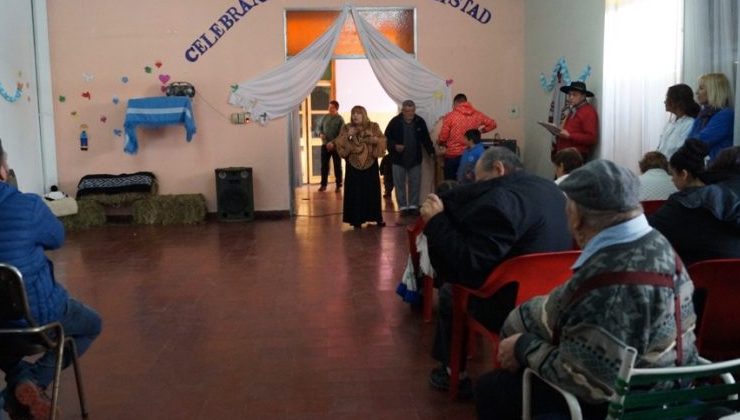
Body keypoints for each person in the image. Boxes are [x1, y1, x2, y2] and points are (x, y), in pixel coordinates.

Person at [475, 159, 698, 420]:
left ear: (578, 217)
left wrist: (524, 347)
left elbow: (589, 382)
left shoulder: (610, 281)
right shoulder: (658, 244)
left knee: (493, 390)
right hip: (674, 386)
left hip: (634, 403)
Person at [420, 147, 572, 397]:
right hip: (556, 297)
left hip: (513, 305)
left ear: (499, 169)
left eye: (480, 182)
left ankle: (452, 373)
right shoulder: (552, 189)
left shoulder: (501, 200)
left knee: (450, 291)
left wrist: (437, 223)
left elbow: (470, 261)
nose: (478, 189)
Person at [0, 139, 102, 419]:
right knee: (91, 324)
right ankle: (32, 380)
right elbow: (57, 237)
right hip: (38, 319)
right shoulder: (28, 206)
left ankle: (20, 381)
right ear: (1, 170)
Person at [648, 142, 740, 265]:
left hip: (697, 280)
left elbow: (647, 232)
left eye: (673, 174)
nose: (671, 179)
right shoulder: (727, 200)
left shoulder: (683, 204)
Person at [334, 105, 386, 229]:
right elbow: (339, 142)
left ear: (364, 114)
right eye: (353, 113)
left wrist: (374, 140)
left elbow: (382, 139)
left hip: (370, 164)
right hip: (353, 165)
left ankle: (376, 218)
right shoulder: (347, 127)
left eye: (358, 113)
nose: (355, 116)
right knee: (355, 193)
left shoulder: (374, 126)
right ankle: (356, 219)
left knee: (371, 192)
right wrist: (348, 135)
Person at [384, 100, 435, 216]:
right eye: (407, 111)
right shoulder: (395, 122)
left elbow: (426, 139)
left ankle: (413, 206)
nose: (409, 114)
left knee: (415, 183)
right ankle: (403, 207)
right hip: (398, 159)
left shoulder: (419, 121)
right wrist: (395, 146)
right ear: (402, 111)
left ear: (414, 110)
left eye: (412, 111)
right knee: (399, 184)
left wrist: (431, 152)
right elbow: (386, 137)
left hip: (415, 158)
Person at [438, 93, 496, 180]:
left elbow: (443, 137)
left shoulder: (450, 116)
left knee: (450, 184)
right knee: (468, 184)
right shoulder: (477, 114)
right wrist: (480, 131)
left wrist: (440, 142)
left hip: (453, 155)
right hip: (471, 153)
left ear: (455, 103)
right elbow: (492, 124)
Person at [688, 73, 735, 161]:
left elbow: (699, 141)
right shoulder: (703, 113)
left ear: (714, 91)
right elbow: (689, 139)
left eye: (701, 88)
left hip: (718, 169)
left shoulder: (726, 114)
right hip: (704, 166)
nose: (696, 92)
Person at [554, 81, 599, 159]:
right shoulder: (573, 110)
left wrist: (570, 136)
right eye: (569, 94)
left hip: (575, 157)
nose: (570, 97)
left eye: (574, 95)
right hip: (565, 155)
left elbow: (591, 138)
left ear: (583, 96)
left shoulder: (589, 112)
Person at [656, 84, 700, 159]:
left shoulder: (690, 124)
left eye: (667, 97)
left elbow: (679, 151)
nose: (665, 101)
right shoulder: (670, 123)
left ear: (678, 102)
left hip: (674, 168)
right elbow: (660, 148)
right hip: (662, 166)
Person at [317, 100, 345, 192]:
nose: (329, 109)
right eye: (329, 107)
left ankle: (338, 185)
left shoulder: (340, 119)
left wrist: (332, 143)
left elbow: (341, 134)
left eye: (331, 107)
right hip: (325, 146)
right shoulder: (325, 117)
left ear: (336, 108)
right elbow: (318, 128)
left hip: (336, 146)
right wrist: (320, 134)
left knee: (337, 166)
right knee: (324, 166)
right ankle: (323, 185)